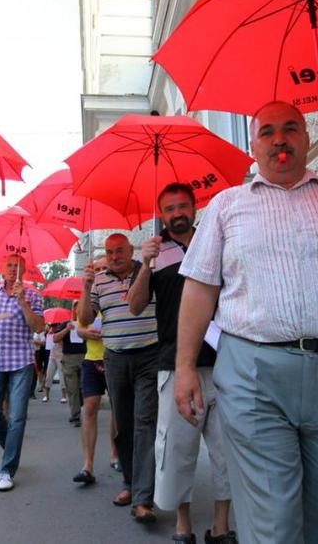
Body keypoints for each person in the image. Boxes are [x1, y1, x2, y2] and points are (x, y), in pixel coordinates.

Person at [175, 101, 318, 544]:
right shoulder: (227, 206)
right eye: (267, 131)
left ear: (306, 136)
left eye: (290, 128)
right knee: (273, 520)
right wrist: (186, 367)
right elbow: (200, 289)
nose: (279, 139)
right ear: (252, 144)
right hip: (253, 373)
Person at [127, 183, 236, 544]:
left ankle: (221, 525)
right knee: (176, 449)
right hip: (174, 364)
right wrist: (144, 264)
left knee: (226, 449)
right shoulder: (155, 252)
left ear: (194, 207)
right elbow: (134, 305)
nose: (177, 213)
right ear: (162, 214)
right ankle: (182, 522)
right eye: (170, 208)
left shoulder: (212, 239)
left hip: (223, 361)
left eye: (183, 206)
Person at [79, 233, 159, 524]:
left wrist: (149, 262)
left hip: (149, 356)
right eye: (110, 252)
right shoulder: (99, 280)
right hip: (114, 359)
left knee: (144, 423)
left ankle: (142, 499)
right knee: (123, 426)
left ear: (131, 250)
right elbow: (86, 319)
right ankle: (129, 482)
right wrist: (85, 288)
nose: (114, 256)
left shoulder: (147, 270)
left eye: (119, 250)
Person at [0, 253, 45, 491]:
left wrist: (23, 302)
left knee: (17, 416)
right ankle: (11, 449)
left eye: (17, 266)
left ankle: (7, 469)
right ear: (1, 268)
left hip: (21, 361)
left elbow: (39, 327)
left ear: (24, 270)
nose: (12, 269)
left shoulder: (34, 295)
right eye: (9, 265)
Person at [55, 300, 86, 426]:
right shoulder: (65, 324)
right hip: (69, 359)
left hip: (86, 358)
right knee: (72, 389)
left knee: (83, 389)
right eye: (75, 306)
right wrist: (67, 329)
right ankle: (75, 415)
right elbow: (55, 338)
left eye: (80, 306)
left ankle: (79, 405)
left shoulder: (87, 323)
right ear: (72, 309)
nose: (77, 309)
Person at [43, 320, 68, 403]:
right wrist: (49, 334)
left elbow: (62, 344)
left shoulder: (60, 334)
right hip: (52, 356)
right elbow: (48, 346)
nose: (51, 328)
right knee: (48, 376)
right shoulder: (49, 333)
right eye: (51, 326)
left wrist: (57, 337)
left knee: (62, 377)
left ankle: (64, 396)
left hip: (61, 356)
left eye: (53, 326)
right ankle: (46, 395)